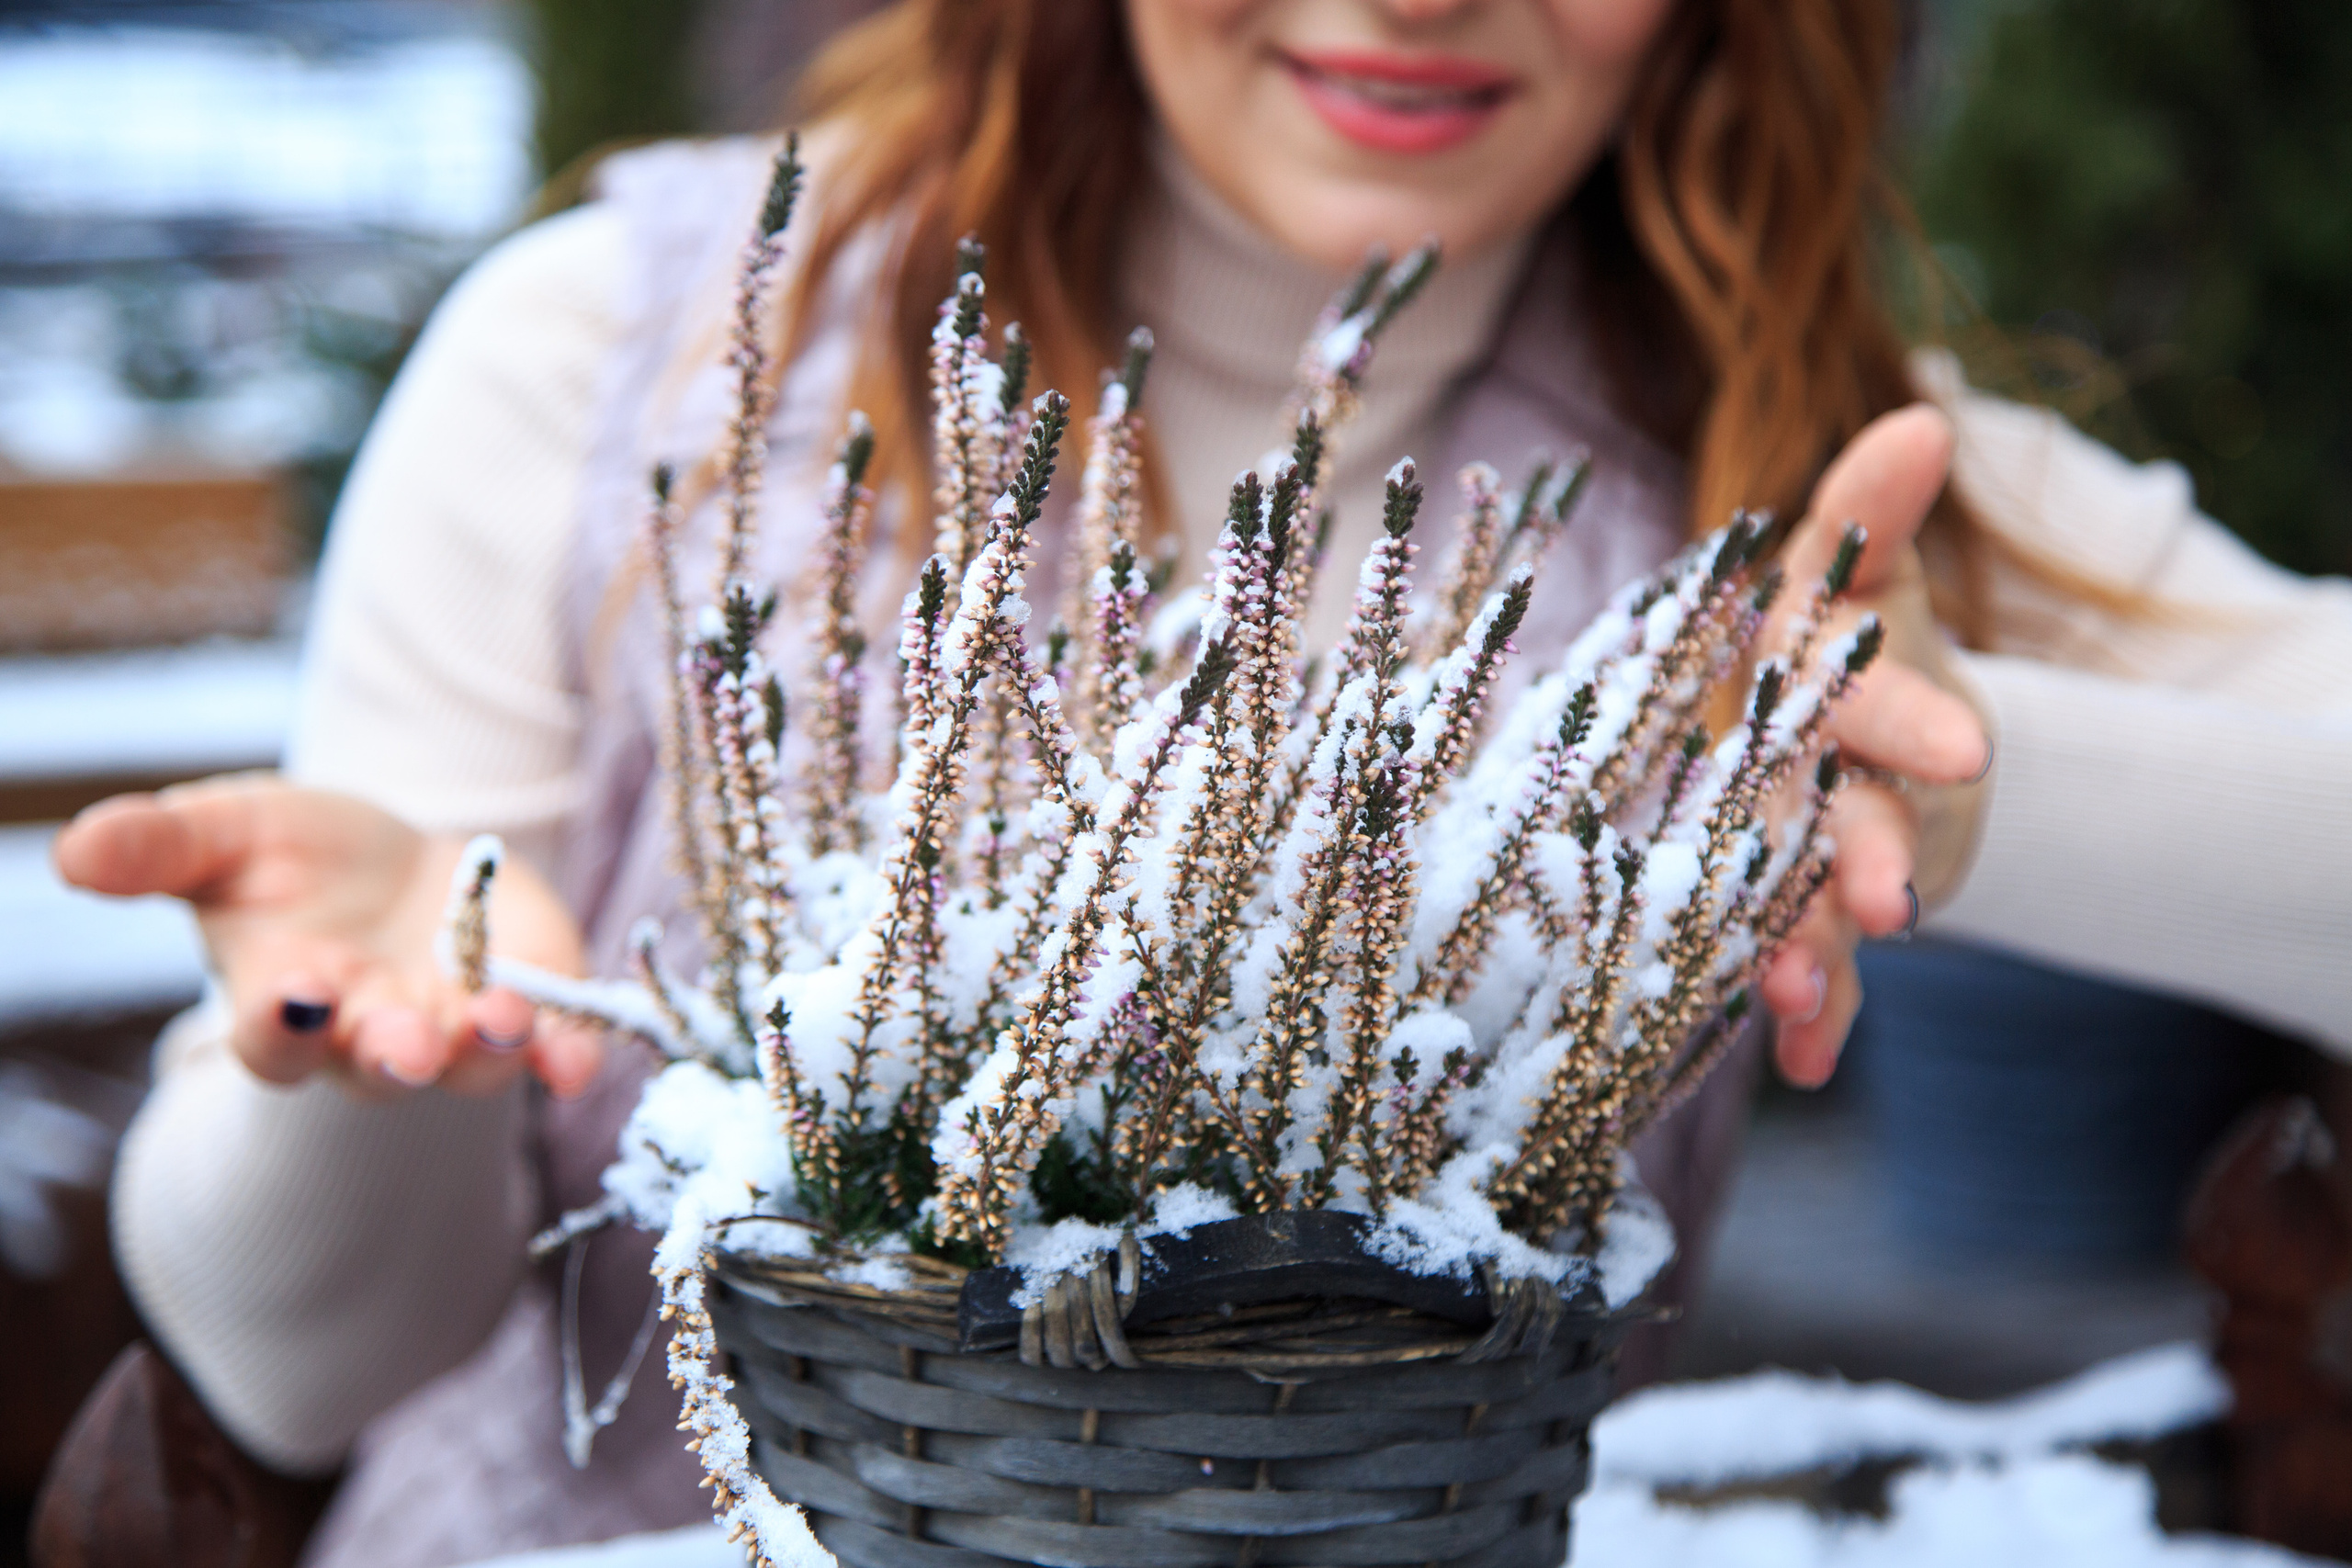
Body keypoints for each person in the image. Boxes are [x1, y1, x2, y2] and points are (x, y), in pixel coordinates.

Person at [53, 1, 2352, 1562]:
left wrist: (1980, 785)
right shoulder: (621, 363)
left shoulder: (1809, 469)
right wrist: (351, 1069)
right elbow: (295, 1358)